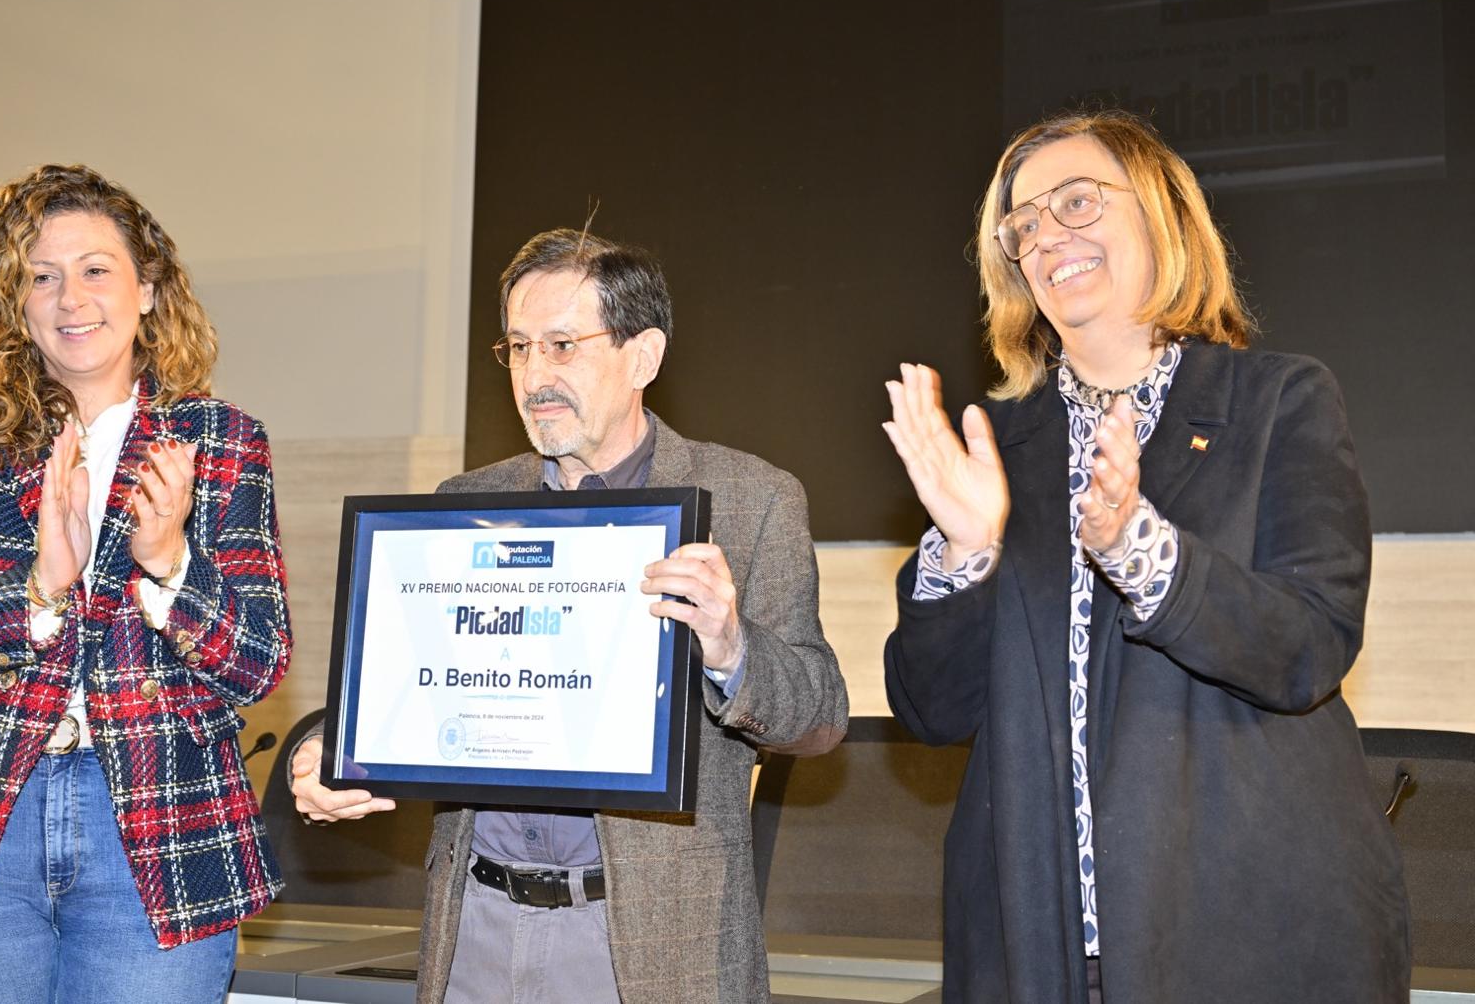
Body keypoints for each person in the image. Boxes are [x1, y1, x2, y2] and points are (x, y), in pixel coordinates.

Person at [882, 111, 1410, 1004]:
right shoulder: (993, 449)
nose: (1049, 235)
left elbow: (1308, 647)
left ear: (1161, 215)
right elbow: (932, 711)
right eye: (1025, 226)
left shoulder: (1280, 400)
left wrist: (1140, 549)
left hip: (1244, 938)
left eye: (1078, 202)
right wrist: (965, 554)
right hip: (1038, 949)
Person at [292, 227, 848, 1004]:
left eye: (561, 345)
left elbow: (821, 718)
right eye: (518, 348)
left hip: (649, 946)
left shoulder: (753, 501)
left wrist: (731, 647)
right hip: (475, 930)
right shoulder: (467, 505)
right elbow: (402, 685)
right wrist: (326, 748)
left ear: (643, 357)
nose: (533, 376)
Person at [0, 164, 292, 1003]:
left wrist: (172, 562)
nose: (71, 299)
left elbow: (258, 664)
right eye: (41, 276)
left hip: (160, 830)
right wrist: (34, 592)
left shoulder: (222, 442)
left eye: (97, 269)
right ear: (12, 303)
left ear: (147, 291)